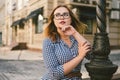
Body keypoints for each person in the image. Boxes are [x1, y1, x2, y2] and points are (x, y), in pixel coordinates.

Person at [41, 5, 91, 80]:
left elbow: (93, 56)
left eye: (65, 14)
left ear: (71, 19)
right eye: (57, 15)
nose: (62, 17)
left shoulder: (77, 37)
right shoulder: (48, 41)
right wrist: (79, 57)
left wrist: (75, 33)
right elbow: (54, 73)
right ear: (53, 20)